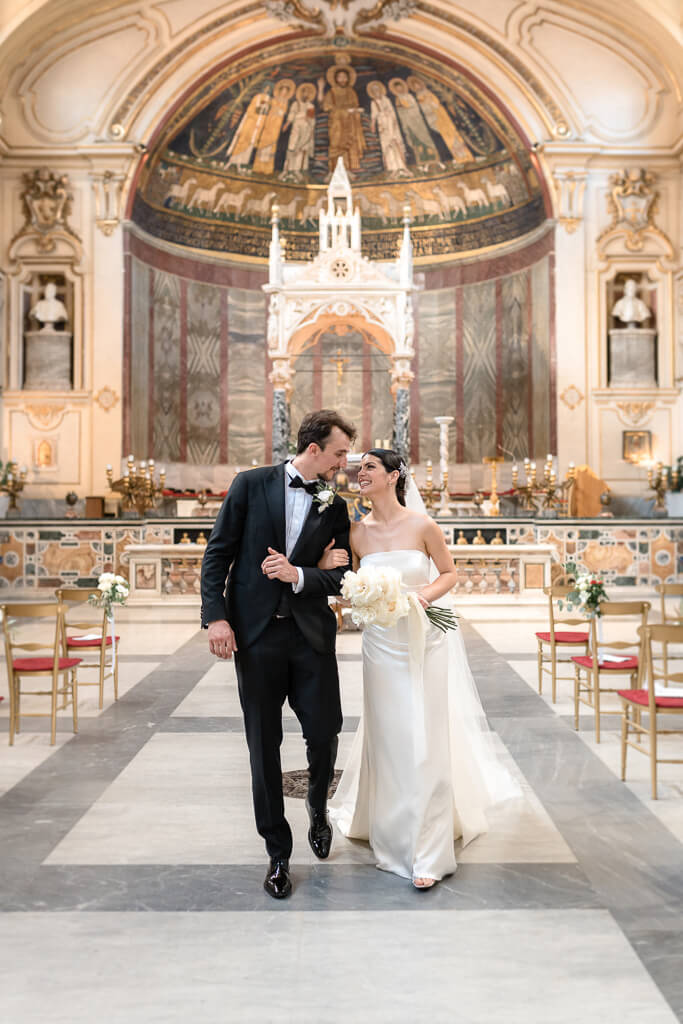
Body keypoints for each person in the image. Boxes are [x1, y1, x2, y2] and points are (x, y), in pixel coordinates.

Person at [320, 448, 519, 888]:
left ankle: (429, 850)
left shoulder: (423, 525)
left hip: (424, 639)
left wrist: (421, 597)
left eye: (369, 467)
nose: (360, 473)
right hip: (380, 645)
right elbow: (348, 588)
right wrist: (335, 578)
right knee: (389, 737)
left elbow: (448, 573)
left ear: (394, 476)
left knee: (425, 737)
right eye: (359, 468)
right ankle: (392, 837)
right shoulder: (356, 532)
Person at [200, 410, 356, 900]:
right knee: (262, 744)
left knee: (325, 731)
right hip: (257, 636)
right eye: (339, 453)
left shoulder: (335, 506)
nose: (344, 463)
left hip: (311, 637)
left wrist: (302, 573)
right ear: (314, 449)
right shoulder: (250, 486)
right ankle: (278, 852)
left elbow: (343, 577)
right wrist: (216, 618)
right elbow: (218, 554)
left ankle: (317, 807)